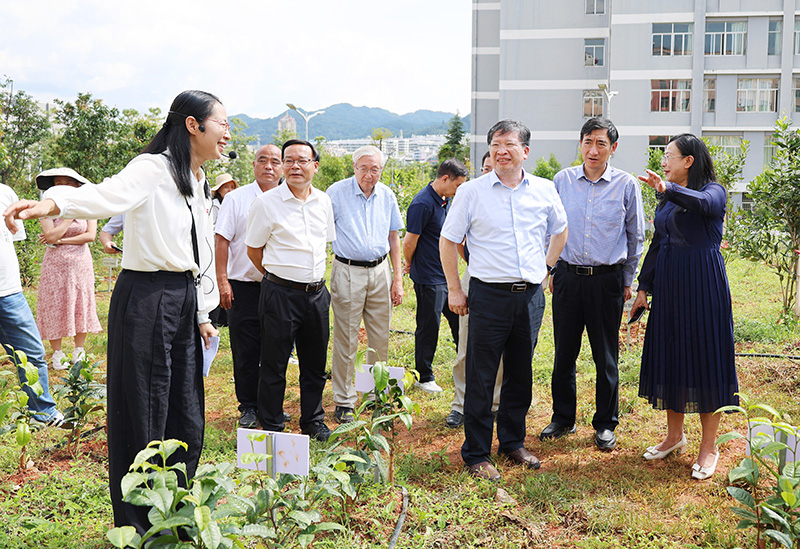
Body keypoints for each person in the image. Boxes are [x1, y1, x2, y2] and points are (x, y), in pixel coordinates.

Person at [4, 89, 223, 535]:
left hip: (181, 296)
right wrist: (51, 204)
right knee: (141, 408)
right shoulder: (153, 168)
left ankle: (176, 513)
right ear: (192, 125)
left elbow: (196, 252)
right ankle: (139, 525)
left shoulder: (197, 179)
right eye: (222, 123)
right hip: (145, 298)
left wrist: (202, 311)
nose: (227, 133)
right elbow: (106, 196)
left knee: (185, 408)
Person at [440, 119, 568, 481]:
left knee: (520, 373)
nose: (501, 151)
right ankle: (477, 453)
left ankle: (512, 443)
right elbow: (448, 242)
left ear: (525, 151)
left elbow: (560, 230)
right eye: (496, 145)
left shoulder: (543, 189)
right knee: (481, 377)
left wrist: (546, 267)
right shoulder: (472, 192)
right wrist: (454, 289)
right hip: (488, 296)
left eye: (509, 145)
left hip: (529, 296)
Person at [634, 133, 738, 480]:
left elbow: (704, 205)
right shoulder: (665, 201)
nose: (664, 162)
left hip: (703, 284)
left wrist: (667, 188)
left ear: (688, 161)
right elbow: (657, 243)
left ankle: (709, 447)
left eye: (669, 156)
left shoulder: (713, 191)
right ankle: (674, 436)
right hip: (669, 284)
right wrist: (643, 288)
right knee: (672, 356)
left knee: (707, 359)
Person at [541, 118, 645, 451]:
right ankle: (563, 418)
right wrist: (552, 269)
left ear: (613, 148)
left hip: (607, 281)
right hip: (568, 278)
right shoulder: (563, 180)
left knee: (606, 355)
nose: (593, 149)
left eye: (601, 143)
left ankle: (605, 423)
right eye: (588, 141)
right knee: (564, 353)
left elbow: (635, 235)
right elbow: (550, 229)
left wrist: (628, 279)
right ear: (580, 144)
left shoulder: (626, 185)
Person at [245, 139, 335, 442]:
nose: (295, 166)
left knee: (315, 363)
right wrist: (278, 279)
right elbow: (253, 251)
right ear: (283, 165)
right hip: (280, 294)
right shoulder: (267, 203)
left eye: (302, 160)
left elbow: (325, 243)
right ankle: (272, 425)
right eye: (289, 160)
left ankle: (313, 420)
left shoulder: (323, 201)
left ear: (315, 166)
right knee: (274, 363)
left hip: (317, 294)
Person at [327, 145, 403, 423]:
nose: (369, 175)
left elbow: (394, 237)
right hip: (347, 270)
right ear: (354, 167)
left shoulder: (387, 195)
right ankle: (345, 399)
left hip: (380, 269)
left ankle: (374, 393)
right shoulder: (335, 192)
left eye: (375, 169)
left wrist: (398, 279)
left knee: (380, 336)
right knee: (346, 337)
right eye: (364, 168)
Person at [215, 144, 284, 428]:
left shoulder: (289, 198)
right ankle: (249, 406)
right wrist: (222, 281)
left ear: (282, 167)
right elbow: (222, 241)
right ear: (254, 165)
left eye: (275, 162)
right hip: (244, 286)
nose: (269, 166)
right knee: (245, 350)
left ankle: (270, 405)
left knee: (276, 350)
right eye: (263, 161)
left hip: (281, 288)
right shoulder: (236, 199)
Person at [447, 152, 503, 428]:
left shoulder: (510, 197)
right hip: (475, 278)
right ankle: (461, 403)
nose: (489, 171)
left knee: (501, 351)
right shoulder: (470, 195)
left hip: (505, 283)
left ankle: (494, 403)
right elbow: (455, 239)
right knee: (467, 345)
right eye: (485, 167)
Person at [0, 183, 64, 426]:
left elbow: (12, 238)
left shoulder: (6, 192)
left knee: (32, 354)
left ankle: (43, 413)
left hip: (9, 291)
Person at [404, 159, 466, 393]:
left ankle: (468, 366)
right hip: (428, 277)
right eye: (458, 186)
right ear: (444, 179)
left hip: (445, 276)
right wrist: (409, 264)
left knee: (460, 321)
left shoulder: (445, 201)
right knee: (429, 326)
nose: (459, 191)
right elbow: (410, 241)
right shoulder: (422, 203)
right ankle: (424, 375)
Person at [35, 168, 102, 369]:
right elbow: (50, 236)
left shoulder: (89, 207)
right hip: (55, 265)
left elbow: (90, 236)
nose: (62, 186)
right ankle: (57, 353)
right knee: (54, 303)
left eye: (67, 182)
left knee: (81, 302)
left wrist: (59, 239)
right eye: (58, 183)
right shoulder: (44, 208)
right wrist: (68, 216)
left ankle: (78, 350)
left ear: (76, 186)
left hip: (81, 263)